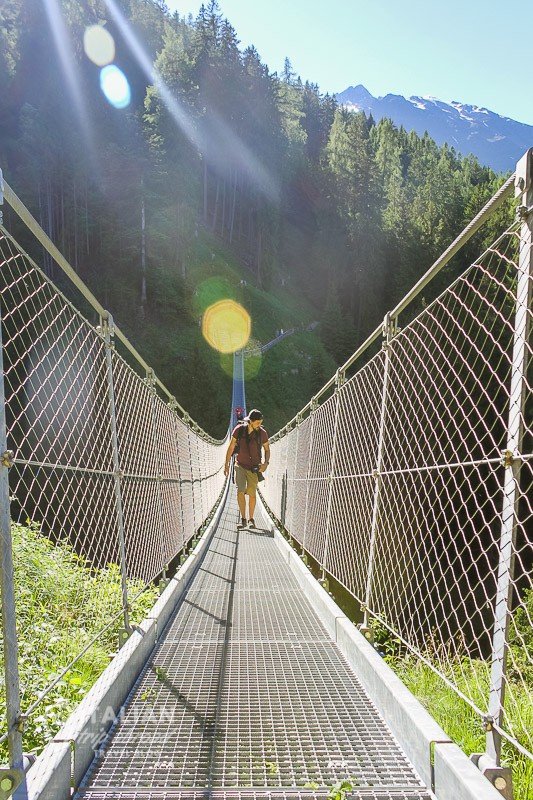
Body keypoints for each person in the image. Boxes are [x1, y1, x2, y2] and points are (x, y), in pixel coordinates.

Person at [224, 409, 270, 529]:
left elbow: (267, 449)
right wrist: (226, 464)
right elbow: (231, 447)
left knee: (252, 494)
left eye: (260, 423)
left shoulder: (262, 433)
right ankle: (243, 519)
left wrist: (266, 463)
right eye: (257, 423)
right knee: (240, 491)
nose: (259, 425)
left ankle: (251, 519)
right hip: (240, 465)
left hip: (254, 468)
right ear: (250, 421)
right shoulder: (239, 430)